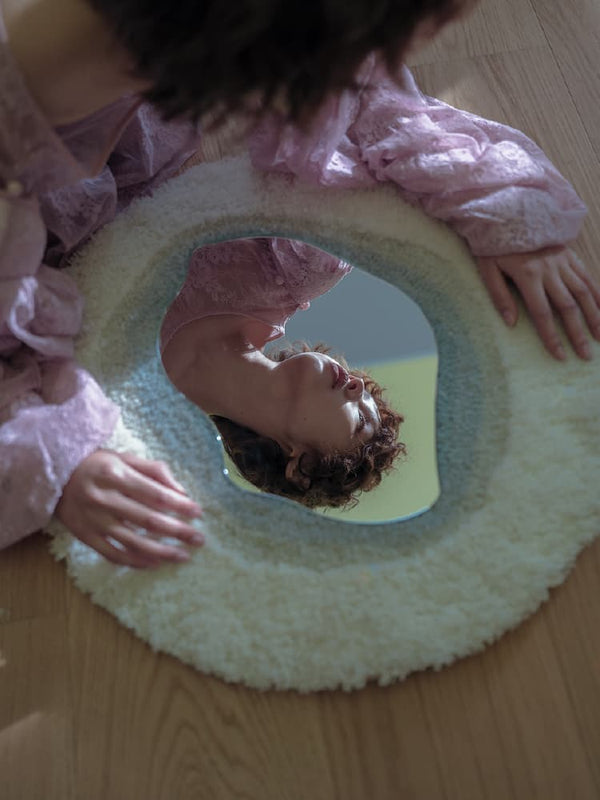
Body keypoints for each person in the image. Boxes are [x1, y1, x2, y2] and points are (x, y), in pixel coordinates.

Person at [1, 0, 599, 567]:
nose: (362, 391)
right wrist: (504, 207)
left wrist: (54, 460)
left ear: (297, 464)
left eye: (362, 421)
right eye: (372, 400)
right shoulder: (295, 266)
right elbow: (369, 104)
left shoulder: (129, 420)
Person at [160, 238, 405, 509]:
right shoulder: (306, 266)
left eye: (360, 420)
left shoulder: (124, 416)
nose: (357, 385)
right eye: (365, 393)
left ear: (304, 467)